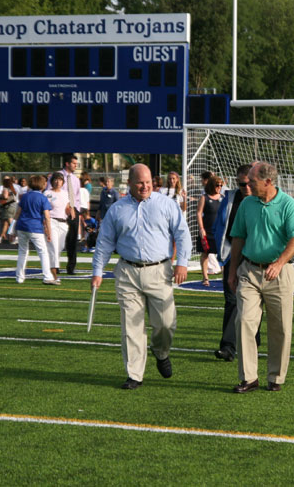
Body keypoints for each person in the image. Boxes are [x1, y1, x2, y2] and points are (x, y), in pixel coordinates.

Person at [92, 164, 191, 390]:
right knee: (131, 326)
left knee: (166, 324)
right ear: (129, 183)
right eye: (139, 182)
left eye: (148, 182)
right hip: (127, 272)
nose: (145, 186)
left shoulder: (166, 204)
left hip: (160, 271)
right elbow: (105, 242)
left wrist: (182, 263)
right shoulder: (117, 209)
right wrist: (97, 271)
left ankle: (161, 352)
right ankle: (135, 374)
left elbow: (182, 234)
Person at [228, 162, 294, 393]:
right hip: (249, 271)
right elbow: (238, 238)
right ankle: (248, 378)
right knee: (243, 322)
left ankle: (276, 377)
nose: (247, 186)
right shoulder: (246, 204)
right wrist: (232, 271)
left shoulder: (288, 204)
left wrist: (280, 262)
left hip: (280, 273)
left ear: (268, 182)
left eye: (252, 181)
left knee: (280, 327)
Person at [212, 163, 260, 362]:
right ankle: (228, 347)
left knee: (256, 303)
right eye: (242, 184)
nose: (246, 188)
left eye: (250, 183)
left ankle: (254, 340)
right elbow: (219, 226)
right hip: (233, 255)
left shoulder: (263, 199)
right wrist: (222, 253)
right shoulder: (229, 199)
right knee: (232, 300)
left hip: (256, 258)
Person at [12, 175, 56, 285]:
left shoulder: (25, 196)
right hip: (35, 227)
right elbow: (47, 217)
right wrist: (49, 232)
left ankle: (19, 277)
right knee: (43, 252)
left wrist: (11, 228)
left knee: (22, 252)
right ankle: (47, 276)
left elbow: (18, 213)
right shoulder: (43, 198)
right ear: (41, 185)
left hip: (22, 226)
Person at [48, 155, 82, 274]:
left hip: (73, 210)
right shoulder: (57, 175)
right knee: (57, 241)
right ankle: (54, 266)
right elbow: (50, 192)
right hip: (59, 212)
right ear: (67, 164)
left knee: (72, 240)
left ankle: (71, 267)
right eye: (73, 163)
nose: (75, 166)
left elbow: (77, 196)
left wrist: (76, 210)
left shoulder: (76, 179)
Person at [44, 172, 74, 284]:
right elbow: (45, 210)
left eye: (60, 180)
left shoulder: (65, 193)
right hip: (51, 221)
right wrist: (46, 226)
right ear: (52, 181)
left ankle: (50, 269)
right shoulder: (47, 193)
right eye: (55, 180)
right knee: (53, 247)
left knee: (59, 248)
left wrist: (70, 210)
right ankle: (53, 275)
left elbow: (66, 207)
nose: (58, 182)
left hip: (63, 223)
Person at [197, 175, 223, 286]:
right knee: (205, 254)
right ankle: (205, 278)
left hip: (220, 231)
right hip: (207, 230)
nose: (219, 187)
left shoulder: (223, 197)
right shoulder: (204, 197)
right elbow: (198, 213)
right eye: (217, 185)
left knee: (223, 255)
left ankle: (225, 277)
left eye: (221, 185)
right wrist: (201, 229)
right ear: (212, 185)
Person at [0, 177, 18, 243]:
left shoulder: (5, 189)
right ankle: (1, 237)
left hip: (8, 207)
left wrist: (0, 196)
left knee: (11, 223)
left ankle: (15, 237)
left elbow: (5, 197)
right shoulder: (12, 189)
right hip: (14, 207)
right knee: (6, 223)